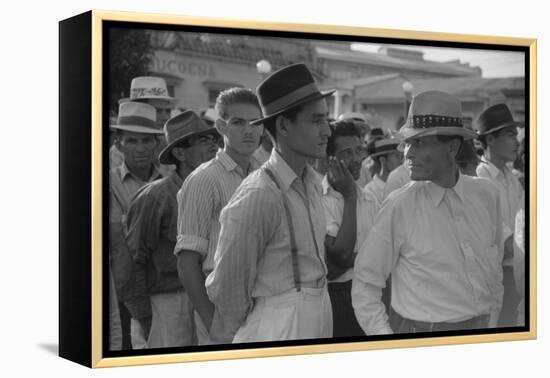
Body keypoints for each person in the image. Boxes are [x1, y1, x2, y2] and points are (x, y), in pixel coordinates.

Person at [352, 91, 505, 335]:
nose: (407, 153)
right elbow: (365, 284)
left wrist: (495, 324)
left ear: (453, 148)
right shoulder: (399, 205)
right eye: (408, 143)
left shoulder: (487, 195)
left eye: (419, 142)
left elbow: (494, 271)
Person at [206, 63, 334, 343]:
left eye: (327, 119)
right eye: (316, 120)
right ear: (283, 126)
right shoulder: (259, 193)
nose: (327, 131)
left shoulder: (312, 182)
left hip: (318, 314)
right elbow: (229, 291)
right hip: (276, 325)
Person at [124, 111, 220, 348]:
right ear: (179, 153)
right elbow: (132, 261)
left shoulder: (216, 189)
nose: (213, 146)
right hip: (165, 305)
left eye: (213, 140)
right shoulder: (155, 196)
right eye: (203, 141)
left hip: (207, 299)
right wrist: (145, 318)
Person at [175, 88, 263, 345]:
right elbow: (187, 262)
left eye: (255, 122)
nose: (248, 130)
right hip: (221, 308)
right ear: (222, 127)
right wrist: (211, 320)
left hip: (263, 304)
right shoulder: (205, 179)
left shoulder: (263, 175)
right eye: (238, 122)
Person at [109, 101, 164, 349]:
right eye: (132, 141)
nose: (140, 148)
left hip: (165, 292)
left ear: (157, 144)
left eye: (146, 141)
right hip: (122, 294)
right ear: (118, 143)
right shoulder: (105, 182)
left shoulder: (171, 182)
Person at [321, 120, 379, 337]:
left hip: (369, 294)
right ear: (330, 160)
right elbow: (341, 257)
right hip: (336, 298)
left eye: (358, 151)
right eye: (347, 153)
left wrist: (353, 259)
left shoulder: (370, 199)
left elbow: (382, 256)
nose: (356, 160)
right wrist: (350, 196)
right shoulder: (317, 199)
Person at [475, 103, 524, 327]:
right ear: (490, 140)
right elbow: (504, 244)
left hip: (518, 272)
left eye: (516, 135)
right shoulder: (480, 179)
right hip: (496, 277)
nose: (517, 141)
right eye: (509, 134)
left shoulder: (511, 177)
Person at [363, 137, 403, 206]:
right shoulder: (370, 191)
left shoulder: (402, 183)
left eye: (402, 157)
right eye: (396, 156)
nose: (401, 161)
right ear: (383, 160)